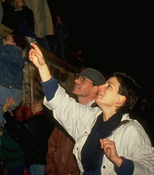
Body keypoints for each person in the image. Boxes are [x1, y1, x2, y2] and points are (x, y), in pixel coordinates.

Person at [29, 42, 154, 174]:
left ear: (120, 99)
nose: (101, 87)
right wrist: (42, 67)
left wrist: (119, 162)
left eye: (109, 86)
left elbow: (150, 168)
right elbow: (61, 103)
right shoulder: (90, 118)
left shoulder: (131, 130)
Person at [45, 68, 105, 175]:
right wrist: (51, 171)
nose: (76, 81)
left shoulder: (99, 118)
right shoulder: (66, 113)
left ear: (95, 89)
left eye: (83, 80)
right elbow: (52, 147)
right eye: (78, 78)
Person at [0, 23, 28, 171]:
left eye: (7, 39)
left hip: (9, 93)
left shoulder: (14, 51)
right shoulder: (9, 53)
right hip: (8, 96)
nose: (5, 41)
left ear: (14, 42)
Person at [2, 98, 55, 175]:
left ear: (41, 108)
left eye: (38, 103)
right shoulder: (42, 120)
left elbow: (19, 127)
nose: (35, 103)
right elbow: (20, 136)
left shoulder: (38, 121)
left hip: (37, 160)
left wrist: (6, 113)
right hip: (37, 160)